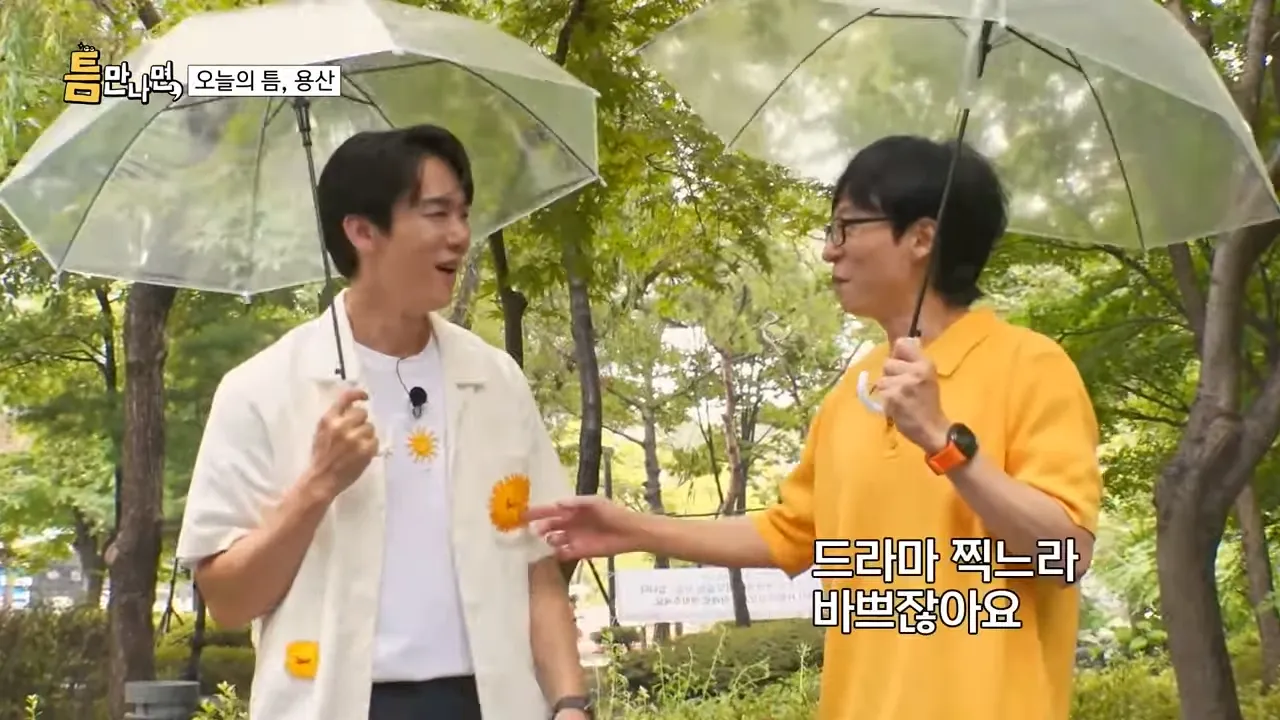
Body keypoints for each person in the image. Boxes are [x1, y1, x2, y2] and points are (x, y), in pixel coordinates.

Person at [525, 136, 1103, 720]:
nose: (830, 251)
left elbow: (1066, 555)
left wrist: (942, 441)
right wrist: (632, 528)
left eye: (846, 227)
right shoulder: (855, 391)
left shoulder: (1030, 366)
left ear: (921, 238)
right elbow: (789, 535)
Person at [175, 125, 593, 720]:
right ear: (362, 231)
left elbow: (537, 569)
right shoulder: (260, 391)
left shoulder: (495, 380)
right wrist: (318, 485)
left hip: (491, 702)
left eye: (463, 214)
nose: (459, 235)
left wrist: (570, 702)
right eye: (436, 213)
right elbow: (228, 601)